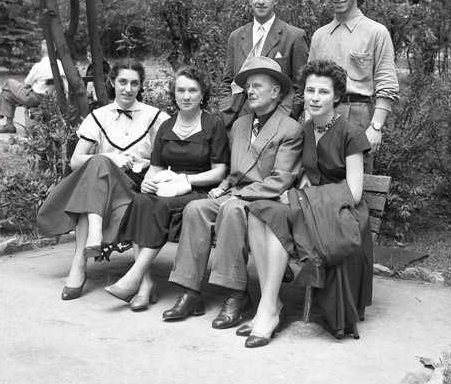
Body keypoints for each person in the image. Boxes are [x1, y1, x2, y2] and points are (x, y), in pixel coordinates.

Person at [162, 57, 303, 330]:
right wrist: (223, 187)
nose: (250, 91)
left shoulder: (290, 129)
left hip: (265, 201)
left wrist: (238, 195)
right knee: (196, 208)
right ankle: (191, 291)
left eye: (257, 86)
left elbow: (280, 180)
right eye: (248, 86)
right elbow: (236, 171)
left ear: (275, 91)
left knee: (232, 209)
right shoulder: (240, 125)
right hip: (235, 194)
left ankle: (237, 294)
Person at [245, 60, 373, 347]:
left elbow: (353, 192)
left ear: (336, 97)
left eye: (323, 92)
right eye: (310, 90)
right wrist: (301, 183)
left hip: (341, 213)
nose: (315, 98)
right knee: (258, 211)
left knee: (277, 217)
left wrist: (304, 196)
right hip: (309, 205)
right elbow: (305, 171)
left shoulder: (351, 133)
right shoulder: (304, 129)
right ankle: (270, 303)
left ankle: (267, 311)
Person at [36, 58, 169, 301]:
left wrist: (144, 163)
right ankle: (86, 251)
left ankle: (81, 261)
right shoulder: (99, 116)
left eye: (134, 83)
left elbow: (169, 160)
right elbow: (76, 160)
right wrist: (110, 157)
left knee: (96, 169)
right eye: (122, 82)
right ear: (112, 82)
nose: (128, 89)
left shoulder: (156, 117)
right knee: (98, 162)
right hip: (103, 187)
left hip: (137, 185)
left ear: (141, 86)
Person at [104, 66, 230, 311]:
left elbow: (219, 172)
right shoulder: (166, 126)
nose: (186, 96)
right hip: (168, 187)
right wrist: (149, 181)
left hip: (198, 190)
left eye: (192, 90)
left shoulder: (213, 125)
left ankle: (134, 277)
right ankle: (145, 284)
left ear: (202, 94)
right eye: (180, 90)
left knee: (159, 207)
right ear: (174, 94)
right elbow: (156, 167)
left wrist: (185, 181)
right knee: (141, 201)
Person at [308, 0, 399, 171]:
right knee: (319, 176)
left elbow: (387, 83)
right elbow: (309, 86)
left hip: (359, 116)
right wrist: (308, 126)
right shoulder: (319, 36)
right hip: (322, 114)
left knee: (358, 180)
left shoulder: (376, 33)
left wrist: (375, 127)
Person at [219, 0, 308, 130]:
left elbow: (300, 86)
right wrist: (227, 113)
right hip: (239, 120)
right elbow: (227, 81)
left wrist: (285, 117)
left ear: (276, 0)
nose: (261, 1)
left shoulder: (294, 36)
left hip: (277, 120)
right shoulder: (236, 37)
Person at [0, 40, 65, 134]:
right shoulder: (59, 64)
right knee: (7, 94)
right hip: (49, 98)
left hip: (34, 98)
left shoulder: (38, 66)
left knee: (8, 82)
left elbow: (27, 83)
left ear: (42, 52)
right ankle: (9, 126)